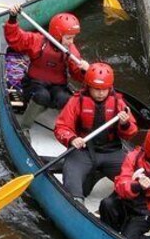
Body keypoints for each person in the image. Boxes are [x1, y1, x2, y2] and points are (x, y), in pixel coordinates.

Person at [54, 63, 137, 200]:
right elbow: (61, 127)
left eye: (104, 89)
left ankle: (122, 207)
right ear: (88, 86)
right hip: (83, 151)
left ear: (109, 87)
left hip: (112, 152)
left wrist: (125, 124)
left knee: (134, 180)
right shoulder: (77, 101)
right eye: (96, 89)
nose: (100, 93)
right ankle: (77, 203)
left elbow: (131, 133)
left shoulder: (119, 103)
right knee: (72, 179)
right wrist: (72, 139)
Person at [4, 5, 88, 127]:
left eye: (73, 38)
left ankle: (67, 128)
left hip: (57, 87)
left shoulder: (71, 50)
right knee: (43, 96)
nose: (71, 42)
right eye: (69, 38)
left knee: (66, 99)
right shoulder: (38, 41)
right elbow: (16, 39)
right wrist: (12, 19)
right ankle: (24, 127)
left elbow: (77, 75)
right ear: (57, 35)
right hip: (34, 84)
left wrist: (84, 71)